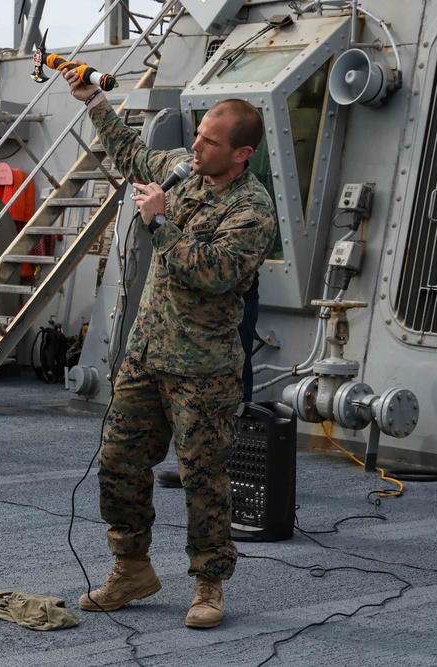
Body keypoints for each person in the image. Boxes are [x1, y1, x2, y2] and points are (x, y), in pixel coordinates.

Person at [62, 68, 277, 629]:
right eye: (198, 134)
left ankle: (209, 585)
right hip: (147, 355)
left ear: (241, 153)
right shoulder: (184, 174)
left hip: (202, 370)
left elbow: (213, 274)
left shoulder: (250, 211)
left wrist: (157, 221)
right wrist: (94, 101)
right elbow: (134, 156)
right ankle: (131, 567)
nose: (196, 146)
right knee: (118, 463)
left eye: (210, 141)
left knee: (204, 478)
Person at [156, 284, 259, 488]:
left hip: (232, 299)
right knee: (199, 382)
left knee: (233, 377)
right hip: (199, 301)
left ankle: (234, 465)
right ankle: (197, 465)